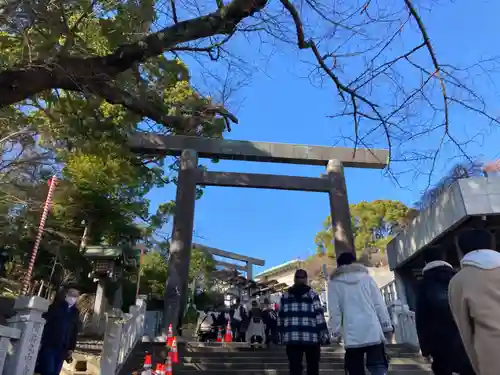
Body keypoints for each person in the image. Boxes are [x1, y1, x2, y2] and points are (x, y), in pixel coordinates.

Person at [328, 252, 392, 375]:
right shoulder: (367, 279)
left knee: (355, 369)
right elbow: (379, 304)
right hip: (372, 329)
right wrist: (386, 325)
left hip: (351, 333)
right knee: (378, 367)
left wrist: (335, 333)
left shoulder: (334, 283)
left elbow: (334, 311)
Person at [415, 247, 475, 375]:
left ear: (425, 261)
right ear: (444, 258)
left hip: (438, 341)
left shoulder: (423, 284)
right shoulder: (458, 278)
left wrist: (425, 348)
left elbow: (421, 319)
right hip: (465, 335)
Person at [449, 228, 500, 375]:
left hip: (491, 355)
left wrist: (477, 366)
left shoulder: (459, 281)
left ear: (461, 249)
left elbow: (465, 330)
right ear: (492, 245)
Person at [278, 269, 330, 375]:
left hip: (292, 338)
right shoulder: (312, 295)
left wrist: (280, 335)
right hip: (311, 338)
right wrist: (324, 334)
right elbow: (319, 316)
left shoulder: (286, 296)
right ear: (306, 280)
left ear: (294, 280)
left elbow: (281, 317)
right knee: (313, 367)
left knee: (295, 368)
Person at [35, 288, 80, 375]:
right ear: (66, 295)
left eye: (75, 296)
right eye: (71, 295)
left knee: (56, 371)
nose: (73, 298)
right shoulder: (56, 307)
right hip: (50, 344)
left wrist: (71, 348)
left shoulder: (75, 312)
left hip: (63, 347)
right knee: (48, 370)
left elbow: (75, 331)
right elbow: (45, 321)